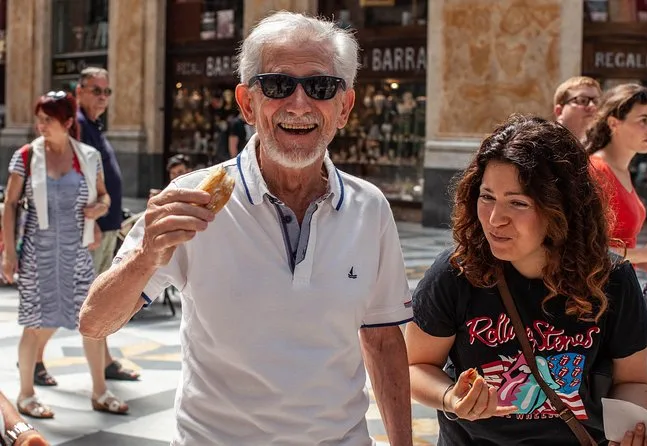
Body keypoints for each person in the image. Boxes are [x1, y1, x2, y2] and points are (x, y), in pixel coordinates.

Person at [80, 12, 413, 446]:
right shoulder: (192, 199)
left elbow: (383, 340)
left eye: (320, 87)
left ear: (344, 107)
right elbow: (95, 323)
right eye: (277, 85)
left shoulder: (369, 208)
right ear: (247, 104)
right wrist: (146, 258)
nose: (299, 104)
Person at [406, 115, 647, 445]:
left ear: (562, 208)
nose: (496, 219)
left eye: (518, 203)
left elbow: (634, 381)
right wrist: (450, 397)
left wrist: (631, 431)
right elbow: (414, 365)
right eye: (487, 197)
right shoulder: (456, 273)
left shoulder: (610, 278)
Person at [1, 91, 129, 418]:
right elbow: (10, 204)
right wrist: (8, 254)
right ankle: (26, 395)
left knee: (91, 320)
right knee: (35, 323)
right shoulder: (26, 156)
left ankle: (100, 391)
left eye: (48, 120)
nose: (40, 126)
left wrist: (99, 209)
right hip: (37, 251)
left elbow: (104, 197)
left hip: (76, 250)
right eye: (39, 119)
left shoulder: (88, 156)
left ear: (68, 122)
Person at [586, 83, 647, 276]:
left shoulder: (622, 171)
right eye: (643, 120)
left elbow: (616, 246)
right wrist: (643, 254)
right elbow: (585, 249)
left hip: (619, 284)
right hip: (597, 289)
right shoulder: (596, 170)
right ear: (614, 123)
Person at [553, 76, 602, 143]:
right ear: (559, 111)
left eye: (596, 101)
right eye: (582, 100)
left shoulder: (606, 146)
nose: (592, 106)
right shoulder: (545, 145)